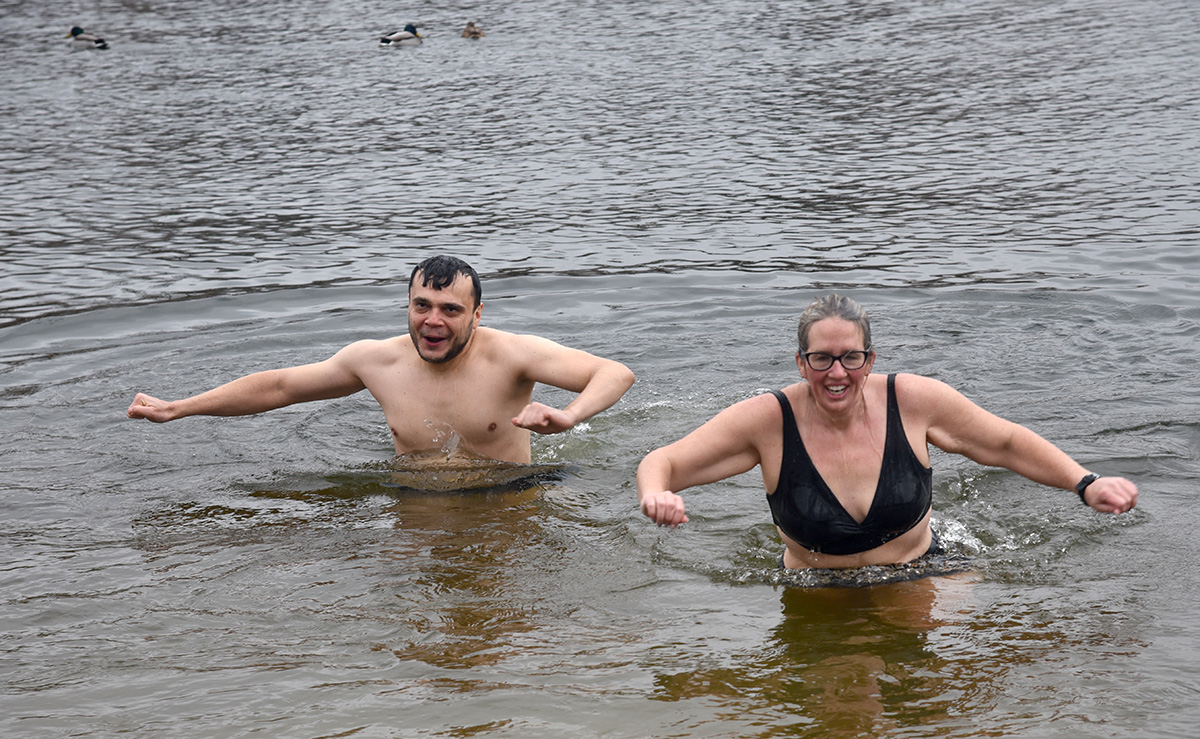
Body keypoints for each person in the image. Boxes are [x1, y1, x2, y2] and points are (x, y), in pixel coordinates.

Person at [637, 294, 1138, 570]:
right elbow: (663, 461)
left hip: (922, 570)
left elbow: (1004, 442)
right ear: (800, 362)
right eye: (821, 359)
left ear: (870, 359)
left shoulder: (915, 400)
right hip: (819, 588)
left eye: (850, 357)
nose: (837, 373)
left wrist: (1085, 483)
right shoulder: (767, 420)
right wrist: (656, 494)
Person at [127, 255, 635, 464]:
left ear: (477, 314)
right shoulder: (375, 361)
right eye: (422, 306)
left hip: (508, 496)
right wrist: (179, 408)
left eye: (450, 310)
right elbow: (281, 387)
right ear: (408, 305)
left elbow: (614, 372)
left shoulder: (512, 355)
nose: (433, 321)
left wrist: (569, 415)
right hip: (417, 501)